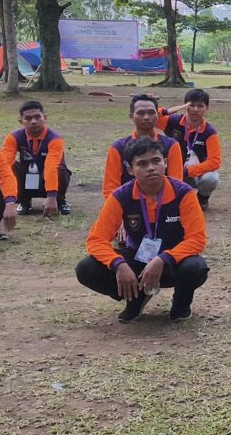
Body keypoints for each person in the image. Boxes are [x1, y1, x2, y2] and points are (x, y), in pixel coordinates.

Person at [75, 137, 209, 323]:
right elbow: (96, 240)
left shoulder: (183, 193)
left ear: (165, 163)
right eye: (142, 164)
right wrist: (119, 264)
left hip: (174, 263)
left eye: (156, 161)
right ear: (130, 170)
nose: (151, 168)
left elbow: (197, 239)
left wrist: (163, 259)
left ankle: (181, 305)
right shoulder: (121, 196)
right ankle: (136, 298)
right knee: (86, 268)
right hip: (138, 260)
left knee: (195, 267)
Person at [103, 94, 184, 201]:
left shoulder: (171, 145)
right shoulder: (118, 147)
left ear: (157, 116)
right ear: (131, 116)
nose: (146, 117)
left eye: (151, 113)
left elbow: (176, 184)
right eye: (140, 113)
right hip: (127, 204)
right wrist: (118, 207)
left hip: (163, 204)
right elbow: (110, 188)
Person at [0, 100, 72, 216]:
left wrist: (52, 195)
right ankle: (24, 201)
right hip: (27, 178)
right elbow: (4, 166)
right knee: (8, 167)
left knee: (60, 169)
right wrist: (9, 199)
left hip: (47, 178)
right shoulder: (13, 138)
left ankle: (59, 200)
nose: (33, 121)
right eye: (28, 118)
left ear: (45, 118)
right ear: (21, 121)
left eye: (37, 117)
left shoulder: (55, 139)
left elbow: (51, 167)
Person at [157, 89, 222, 209]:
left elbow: (215, 162)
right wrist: (166, 111)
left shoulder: (209, 132)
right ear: (184, 106)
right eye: (191, 105)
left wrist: (187, 171)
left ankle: (202, 199)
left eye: (200, 106)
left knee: (211, 178)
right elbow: (151, 117)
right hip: (171, 171)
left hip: (194, 173)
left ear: (207, 108)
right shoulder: (173, 121)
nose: (195, 109)